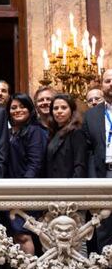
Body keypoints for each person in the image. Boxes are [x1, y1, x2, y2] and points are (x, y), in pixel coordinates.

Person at [7, 93, 47, 255]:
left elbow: (35, 163)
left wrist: (22, 189)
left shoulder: (35, 131)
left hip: (25, 190)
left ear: (30, 109)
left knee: (24, 235)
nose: (18, 110)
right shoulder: (10, 132)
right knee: (15, 236)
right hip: (9, 190)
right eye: (13, 107)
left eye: (22, 106)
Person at [82, 69, 112, 258]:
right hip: (105, 174)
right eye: (108, 80)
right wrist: (94, 181)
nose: (111, 84)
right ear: (102, 85)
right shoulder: (92, 115)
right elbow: (89, 150)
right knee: (105, 227)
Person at [46, 93, 87, 178]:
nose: (59, 111)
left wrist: (73, 187)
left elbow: (80, 165)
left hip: (69, 186)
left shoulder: (76, 132)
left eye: (64, 108)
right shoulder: (53, 132)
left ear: (72, 111)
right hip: (53, 184)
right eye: (55, 108)